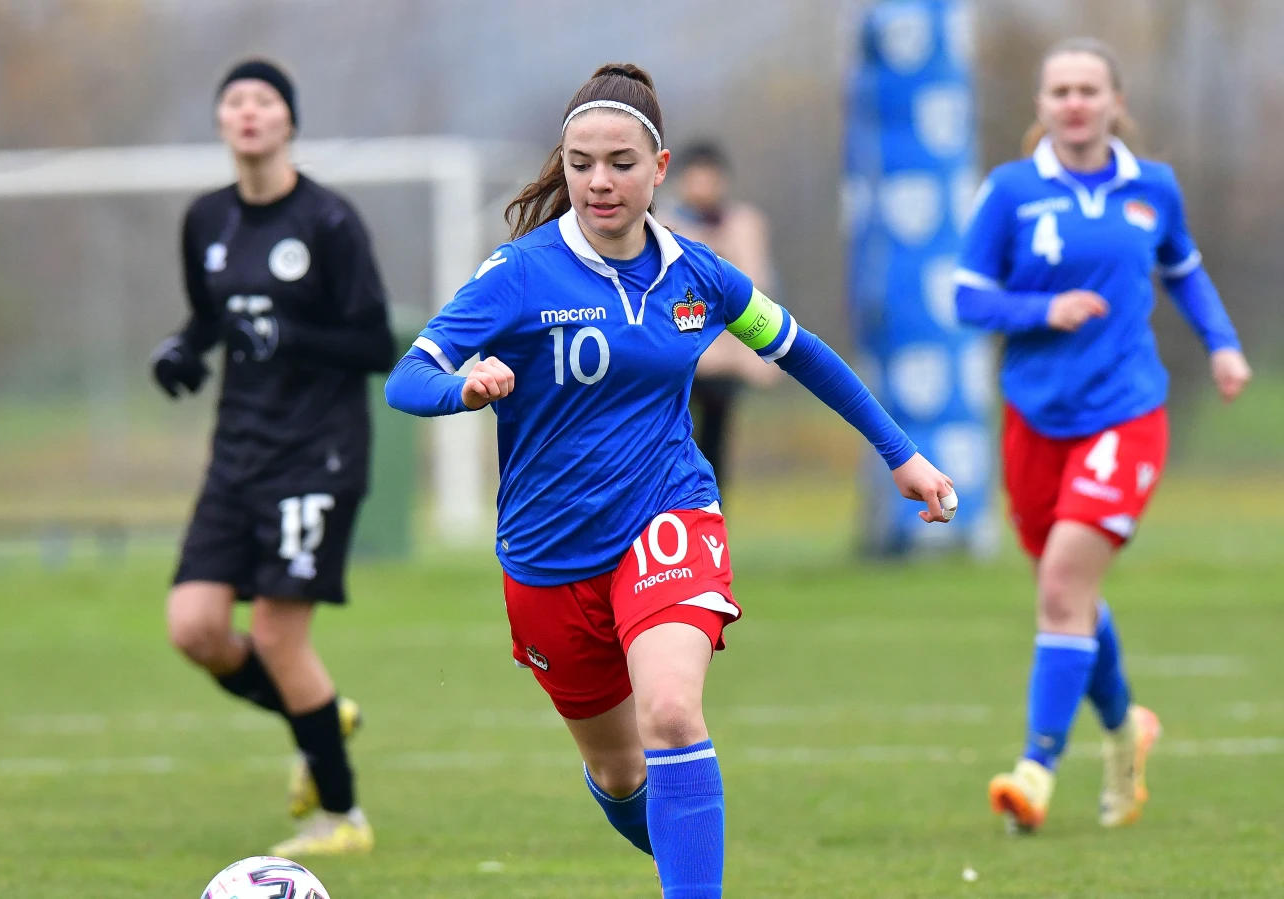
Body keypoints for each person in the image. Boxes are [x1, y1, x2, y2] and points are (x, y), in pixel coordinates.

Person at [386, 63, 956, 898]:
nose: (598, 181)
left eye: (620, 162)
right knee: (621, 776)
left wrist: (898, 450)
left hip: (668, 515)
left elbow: (797, 349)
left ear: (659, 169)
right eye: (580, 162)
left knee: (673, 714)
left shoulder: (699, 273)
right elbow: (408, 378)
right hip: (547, 558)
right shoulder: (517, 274)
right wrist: (461, 389)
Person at [954, 37, 1251, 835]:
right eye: (1061, 90)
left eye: (1090, 88)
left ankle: (1035, 770)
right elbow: (967, 298)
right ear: (1043, 105)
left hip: (1126, 413)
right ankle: (1126, 730)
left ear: (1117, 101)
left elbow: (1182, 268)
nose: (1076, 102)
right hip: (1033, 418)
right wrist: (1040, 311)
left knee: (1060, 588)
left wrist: (1221, 343)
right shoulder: (1012, 191)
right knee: (1070, 593)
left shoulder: (1151, 187)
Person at [152, 58, 396, 857]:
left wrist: (290, 336)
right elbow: (208, 319)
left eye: (265, 101)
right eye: (235, 101)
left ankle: (344, 818)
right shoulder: (205, 221)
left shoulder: (328, 222)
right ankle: (318, 713)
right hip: (237, 454)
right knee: (193, 626)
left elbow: (373, 342)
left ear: (289, 121)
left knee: (280, 637)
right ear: (221, 122)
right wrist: (184, 352)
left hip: (315, 455)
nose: (249, 113)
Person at [661, 142, 781, 493]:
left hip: (724, 357)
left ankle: (710, 516)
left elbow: (758, 283)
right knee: (671, 442)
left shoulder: (745, 223)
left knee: (714, 445)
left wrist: (763, 357)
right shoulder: (662, 223)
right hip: (676, 353)